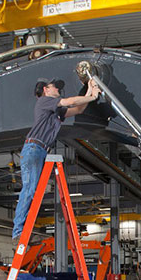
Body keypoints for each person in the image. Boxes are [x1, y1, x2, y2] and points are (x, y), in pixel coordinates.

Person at [12, 77, 101, 245]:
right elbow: (70, 101)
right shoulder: (44, 101)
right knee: (30, 190)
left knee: (35, 192)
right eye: (55, 87)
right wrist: (93, 97)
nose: (58, 90)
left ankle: (23, 230)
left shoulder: (54, 111)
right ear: (45, 90)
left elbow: (79, 109)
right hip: (34, 149)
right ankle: (18, 232)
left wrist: (89, 91)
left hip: (40, 151)